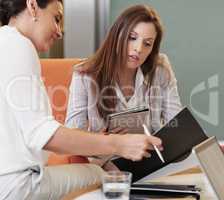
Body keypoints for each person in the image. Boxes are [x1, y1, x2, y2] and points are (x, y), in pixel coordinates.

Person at [0, 0, 162, 199]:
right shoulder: (18, 45)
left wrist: (102, 141)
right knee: (102, 177)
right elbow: (43, 135)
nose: (59, 32)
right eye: (56, 18)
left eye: (147, 43)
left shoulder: (6, 44)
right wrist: (119, 144)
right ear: (32, 6)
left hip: (13, 178)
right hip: (15, 185)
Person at [65, 5, 182, 169]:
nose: (138, 49)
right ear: (117, 35)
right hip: (106, 164)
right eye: (132, 38)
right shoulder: (84, 75)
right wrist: (108, 140)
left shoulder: (160, 69)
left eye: (147, 44)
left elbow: (176, 124)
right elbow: (72, 138)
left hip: (151, 162)